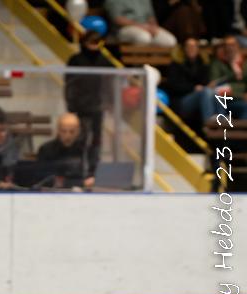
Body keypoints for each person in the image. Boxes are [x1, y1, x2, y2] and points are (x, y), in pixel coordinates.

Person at [65, 30, 112, 176]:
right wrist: (71, 105)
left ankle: (93, 170)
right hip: (80, 106)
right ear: (84, 43)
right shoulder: (76, 60)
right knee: (80, 138)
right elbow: (69, 84)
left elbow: (110, 83)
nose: (94, 46)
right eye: (91, 42)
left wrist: (108, 102)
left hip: (97, 106)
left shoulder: (104, 61)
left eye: (97, 42)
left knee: (96, 140)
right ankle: (77, 169)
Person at [36, 112, 92, 188]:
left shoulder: (85, 151)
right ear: (58, 131)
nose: (67, 136)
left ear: (78, 131)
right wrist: (80, 183)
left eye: (72, 132)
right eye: (64, 131)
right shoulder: (46, 150)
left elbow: (92, 178)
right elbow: (43, 180)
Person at [165, 37, 211, 127]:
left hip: (200, 98)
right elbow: (173, 85)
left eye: (194, 46)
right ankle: (209, 124)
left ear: (198, 49)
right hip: (181, 101)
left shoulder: (203, 64)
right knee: (206, 92)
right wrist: (193, 88)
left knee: (213, 92)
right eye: (189, 46)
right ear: (184, 49)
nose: (192, 49)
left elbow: (205, 82)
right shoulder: (175, 65)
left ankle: (220, 122)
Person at [105, 0, 177, 47]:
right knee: (143, 37)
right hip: (124, 28)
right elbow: (117, 19)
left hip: (146, 27)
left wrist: (153, 27)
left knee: (170, 41)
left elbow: (150, 16)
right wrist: (142, 27)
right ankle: (138, 67)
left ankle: (155, 66)